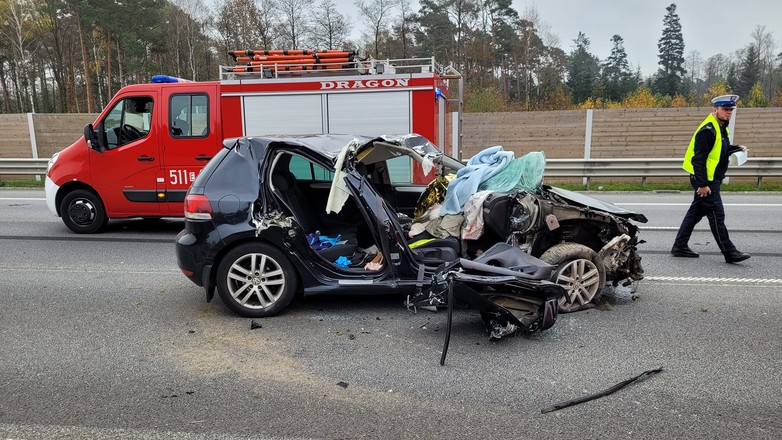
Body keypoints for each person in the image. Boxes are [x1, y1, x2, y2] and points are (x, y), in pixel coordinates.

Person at [671, 94, 750, 263]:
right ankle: (730, 252)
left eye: (731, 110)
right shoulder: (708, 130)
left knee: (695, 213)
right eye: (725, 109)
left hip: (709, 179)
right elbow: (698, 159)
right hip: (706, 180)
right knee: (717, 216)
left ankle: (679, 246)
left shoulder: (721, 127)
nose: (729, 112)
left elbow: (720, 149)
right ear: (715, 110)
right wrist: (703, 184)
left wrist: (736, 148)